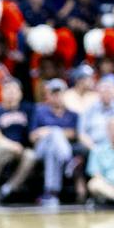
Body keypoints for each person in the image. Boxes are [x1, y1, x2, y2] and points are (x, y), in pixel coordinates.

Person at [0, 77, 37, 204]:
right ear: (1, 93)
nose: (11, 94)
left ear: (21, 93)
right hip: (3, 146)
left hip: (22, 148)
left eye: (14, 90)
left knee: (31, 156)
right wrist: (12, 146)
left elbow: (33, 133)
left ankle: (8, 189)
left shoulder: (29, 109)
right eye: (7, 90)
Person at [28, 78, 79, 208]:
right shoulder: (40, 110)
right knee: (54, 134)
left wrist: (49, 131)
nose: (57, 97)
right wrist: (49, 132)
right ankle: (68, 160)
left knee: (53, 148)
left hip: (54, 150)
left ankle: (51, 192)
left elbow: (74, 134)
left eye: (59, 93)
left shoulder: (72, 114)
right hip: (40, 149)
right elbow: (32, 136)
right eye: (53, 93)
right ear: (48, 95)